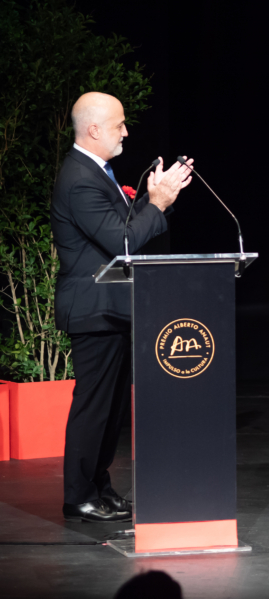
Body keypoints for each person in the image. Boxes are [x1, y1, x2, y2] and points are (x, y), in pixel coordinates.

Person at [51, 92, 193, 522]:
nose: (126, 131)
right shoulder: (79, 177)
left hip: (112, 306)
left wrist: (146, 199)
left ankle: (99, 485)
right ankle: (78, 496)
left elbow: (119, 230)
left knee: (112, 409)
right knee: (94, 407)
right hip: (94, 308)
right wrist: (159, 202)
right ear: (94, 130)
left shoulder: (98, 171)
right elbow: (122, 241)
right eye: (119, 125)